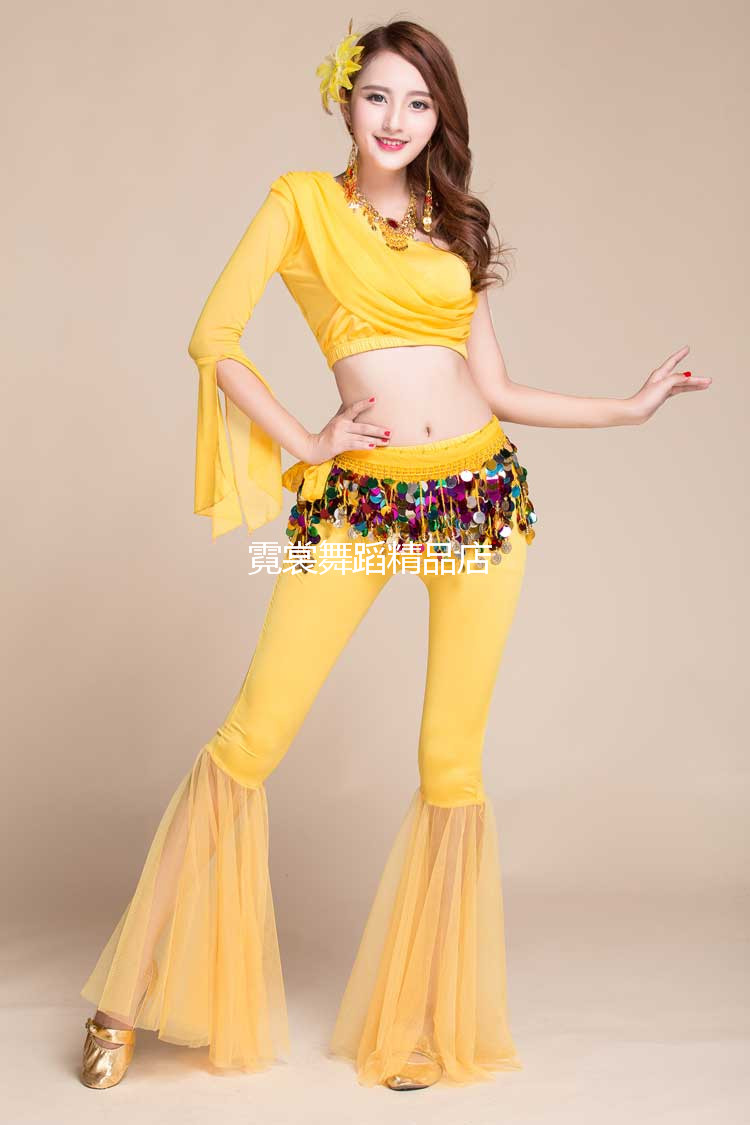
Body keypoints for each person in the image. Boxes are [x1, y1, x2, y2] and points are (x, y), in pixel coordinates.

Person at [78, 18, 710, 1093]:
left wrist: (627, 407)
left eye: (418, 103)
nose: (396, 120)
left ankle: (419, 1020)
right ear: (345, 100)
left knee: (449, 760)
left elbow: (495, 388)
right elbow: (212, 339)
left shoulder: (457, 223)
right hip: (361, 504)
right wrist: (308, 440)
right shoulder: (300, 204)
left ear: (439, 120)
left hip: (477, 497)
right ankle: (122, 996)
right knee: (252, 735)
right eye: (378, 96)